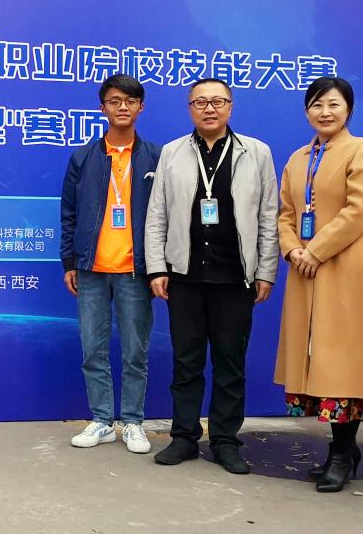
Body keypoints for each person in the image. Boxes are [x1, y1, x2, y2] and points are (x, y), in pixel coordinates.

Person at [274, 76, 363, 493]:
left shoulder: (360, 149)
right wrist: (293, 249)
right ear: (306, 112)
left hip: (346, 270)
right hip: (305, 274)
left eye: (333, 104)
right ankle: (343, 451)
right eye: (316, 105)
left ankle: (342, 453)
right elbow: (285, 213)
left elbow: (360, 209)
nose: (325, 112)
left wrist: (316, 251)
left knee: (344, 363)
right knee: (316, 361)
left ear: (348, 109)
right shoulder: (298, 158)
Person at [144, 78, 279, 474]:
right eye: (200, 102)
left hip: (236, 278)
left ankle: (224, 441)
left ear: (230, 107)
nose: (209, 108)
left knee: (230, 363)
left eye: (218, 101)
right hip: (184, 276)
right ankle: (184, 437)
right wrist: (157, 267)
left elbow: (268, 215)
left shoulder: (256, 152)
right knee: (185, 362)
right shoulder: (172, 152)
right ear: (190, 109)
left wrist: (266, 270)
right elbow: (157, 214)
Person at [60, 74, 161, 454]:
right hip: (92, 270)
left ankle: (133, 422)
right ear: (102, 107)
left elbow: (166, 214)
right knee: (93, 350)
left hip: (136, 272)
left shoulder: (156, 157)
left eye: (130, 101)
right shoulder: (83, 157)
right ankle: (102, 420)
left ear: (141, 107)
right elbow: (68, 213)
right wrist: (70, 261)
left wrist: (159, 267)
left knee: (135, 351)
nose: (122, 107)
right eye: (115, 101)